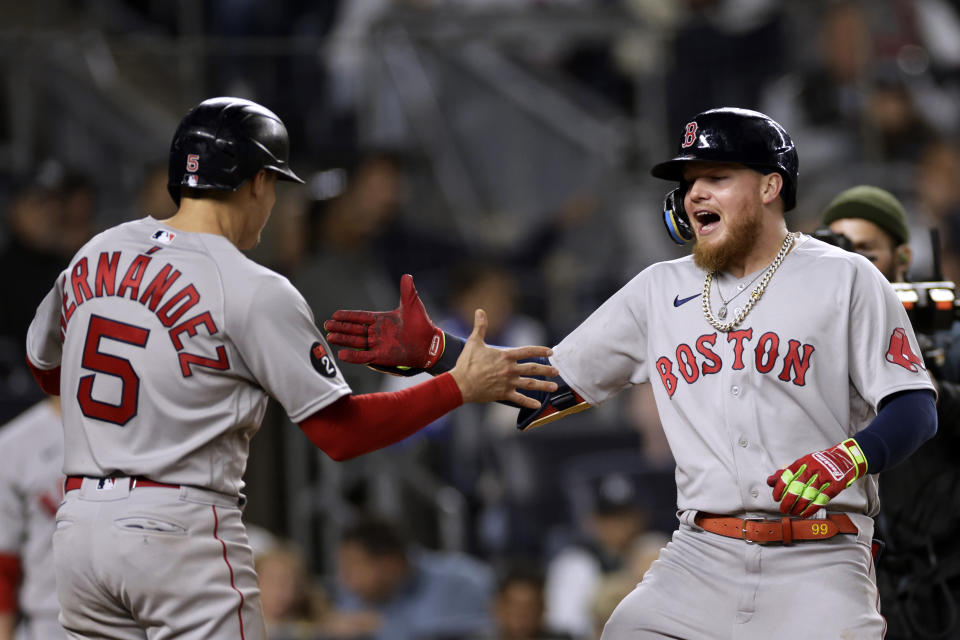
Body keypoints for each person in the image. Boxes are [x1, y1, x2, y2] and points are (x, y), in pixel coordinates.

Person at [323, 107, 939, 638]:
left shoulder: (846, 277)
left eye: (717, 177)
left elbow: (915, 406)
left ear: (772, 186)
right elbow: (552, 385)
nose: (696, 193)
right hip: (705, 554)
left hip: (820, 556)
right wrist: (440, 353)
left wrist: (850, 456)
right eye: (689, 181)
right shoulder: (658, 289)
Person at [23, 96, 558, 640]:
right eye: (273, 184)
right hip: (175, 531)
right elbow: (342, 433)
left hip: (79, 529)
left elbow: (45, 367)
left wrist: (125, 426)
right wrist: (457, 386)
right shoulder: (252, 286)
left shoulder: (97, 250)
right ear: (255, 182)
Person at [821, 185, 960, 639]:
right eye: (839, 250)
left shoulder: (947, 333)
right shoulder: (813, 342)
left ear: (902, 257)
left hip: (948, 573)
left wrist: (920, 376)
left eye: (865, 250)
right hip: (862, 577)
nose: (853, 265)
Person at [325, 515, 496, 640]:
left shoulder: (463, 582)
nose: (342, 579)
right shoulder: (355, 597)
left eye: (351, 568)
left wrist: (380, 628)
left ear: (388, 564)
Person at [544, 473, 646, 639]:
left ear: (640, 518)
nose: (618, 526)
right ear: (593, 521)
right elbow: (565, 626)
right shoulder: (575, 564)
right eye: (610, 518)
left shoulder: (650, 555)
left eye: (625, 516)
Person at [0, 397, 66, 640]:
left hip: (135, 614)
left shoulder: (142, 431)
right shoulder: (13, 445)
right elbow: (4, 564)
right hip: (51, 621)